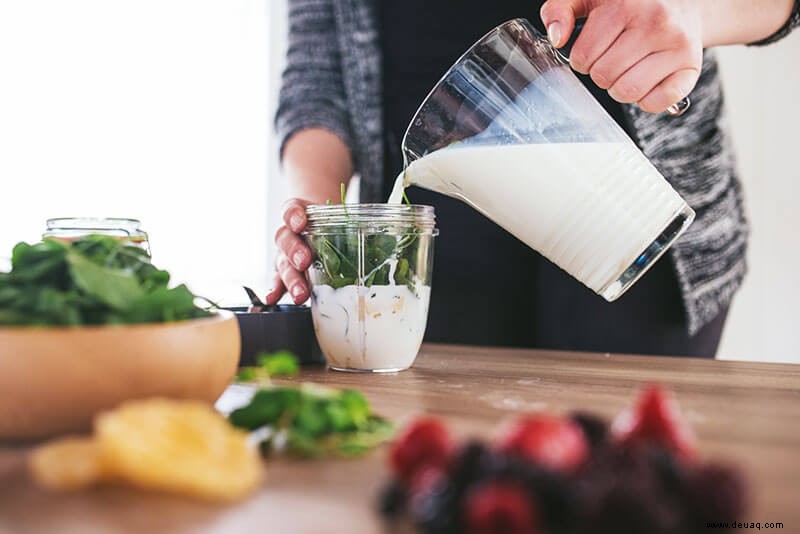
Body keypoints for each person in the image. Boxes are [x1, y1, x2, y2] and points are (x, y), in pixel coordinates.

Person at [267, 0, 800, 358]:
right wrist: (316, 212)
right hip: (426, 263)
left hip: (635, 233)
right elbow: (317, 76)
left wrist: (691, 10)